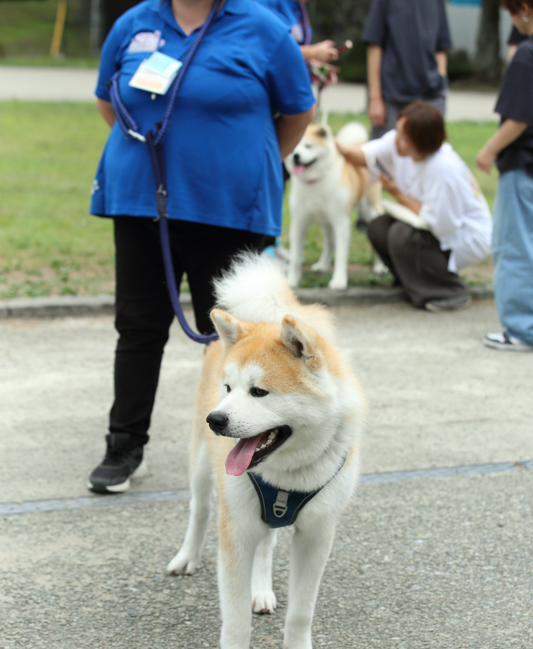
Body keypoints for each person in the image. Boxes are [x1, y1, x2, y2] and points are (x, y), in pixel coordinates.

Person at [87, 0, 316, 493]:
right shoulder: (135, 23)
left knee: (236, 340)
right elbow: (110, 100)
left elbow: (299, 111)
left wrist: (249, 162)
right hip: (141, 203)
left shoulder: (264, 28)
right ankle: (124, 445)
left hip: (230, 212)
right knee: (138, 328)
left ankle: (242, 442)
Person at [337, 101, 492, 312]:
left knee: (402, 235)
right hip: (433, 225)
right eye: (397, 132)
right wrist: (337, 147)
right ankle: (412, 283)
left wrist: (396, 193)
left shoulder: (442, 167)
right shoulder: (400, 145)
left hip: (463, 237)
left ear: (422, 142)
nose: (396, 141)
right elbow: (366, 155)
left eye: (404, 138)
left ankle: (449, 292)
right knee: (379, 227)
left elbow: (440, 224)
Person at [476, 0, 533, 352]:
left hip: (522, 164)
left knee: (515, 247)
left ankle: (522, 328)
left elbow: (518, 117)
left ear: (524, 8)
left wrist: (489, 149)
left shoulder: (526, 55)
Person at [361, 0, 452, 139]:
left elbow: (441, 48)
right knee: (386, 157)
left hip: (430, 98)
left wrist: (441, 87)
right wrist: (375, 98)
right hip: (392, 98)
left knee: (427, 157)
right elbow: (374, 44)